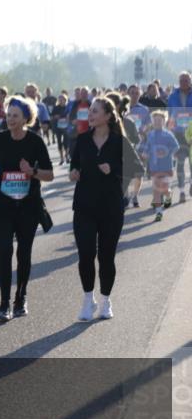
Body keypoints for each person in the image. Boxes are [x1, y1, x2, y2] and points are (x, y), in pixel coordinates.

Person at [0, 97, 54, 321]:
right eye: (8, 115)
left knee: (24, 253)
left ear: (26, 118)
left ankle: (20, 296)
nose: (10, 119)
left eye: (15, 115)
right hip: (3, 205)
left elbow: (49, 175)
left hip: (28, 206)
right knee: (5, 251)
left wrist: (31, 172)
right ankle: (4, 304)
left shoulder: (35, 142)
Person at [70, 97, 140, 321]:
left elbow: (138, 169)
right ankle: (87, 299)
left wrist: (115, 169)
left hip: (110, 207)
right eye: (89, 110)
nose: (90, 114)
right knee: (86, 254)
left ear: (108, 116)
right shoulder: (82, 140)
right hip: (84, 206)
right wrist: (74, 173)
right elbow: (74, 164)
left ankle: (105, 300)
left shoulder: (120, 141)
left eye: (95, 111)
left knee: (106, 256)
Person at [141, 111, 180, 222]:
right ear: (152, 122)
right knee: (156, 190)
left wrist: (166, 152)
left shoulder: (168, 134)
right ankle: (159, 212)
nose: (157, 122)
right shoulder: (150, 134)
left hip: (166, 166)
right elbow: (148, 146)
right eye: (155, 120)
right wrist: (145, 153)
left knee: (163, 189)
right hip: (154, 166)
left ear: (164, 121)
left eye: (160, 120)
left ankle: (168, 194)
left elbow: (176, 147)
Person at [166, 71, 192, 203]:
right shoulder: (172, 96)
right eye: (182, 80)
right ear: (179, 82)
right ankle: (181, 191)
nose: (184, 83)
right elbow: (169, 115)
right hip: (178, 134)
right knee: (180, 163)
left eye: (187, 80)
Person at [51, 93, 70, 165]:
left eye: (62, 99)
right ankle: (61, 158)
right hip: (58, 127)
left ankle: (67, 156)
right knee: (59, 142)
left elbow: (71, 115)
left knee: (66, 142)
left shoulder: (67, 107)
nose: (61, 101)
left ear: (65, 100)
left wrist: (67, 118)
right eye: (60, 99)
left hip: (66, 127)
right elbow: (52, 117)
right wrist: (56, 117)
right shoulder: (56, 107)